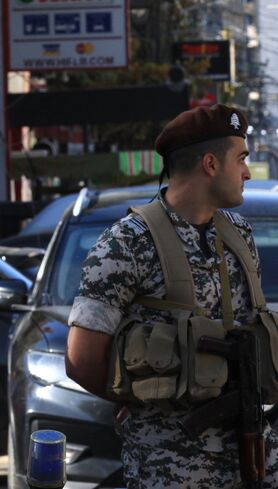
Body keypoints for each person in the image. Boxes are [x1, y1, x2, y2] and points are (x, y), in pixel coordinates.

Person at [65, 104, 278, 487]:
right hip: (171, 467)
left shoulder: (239, 235)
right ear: (210, 164)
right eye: (241, 159)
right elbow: (81, 360)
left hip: (252, 454)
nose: (247, 172)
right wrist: (140, 399)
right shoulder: (126, 243)